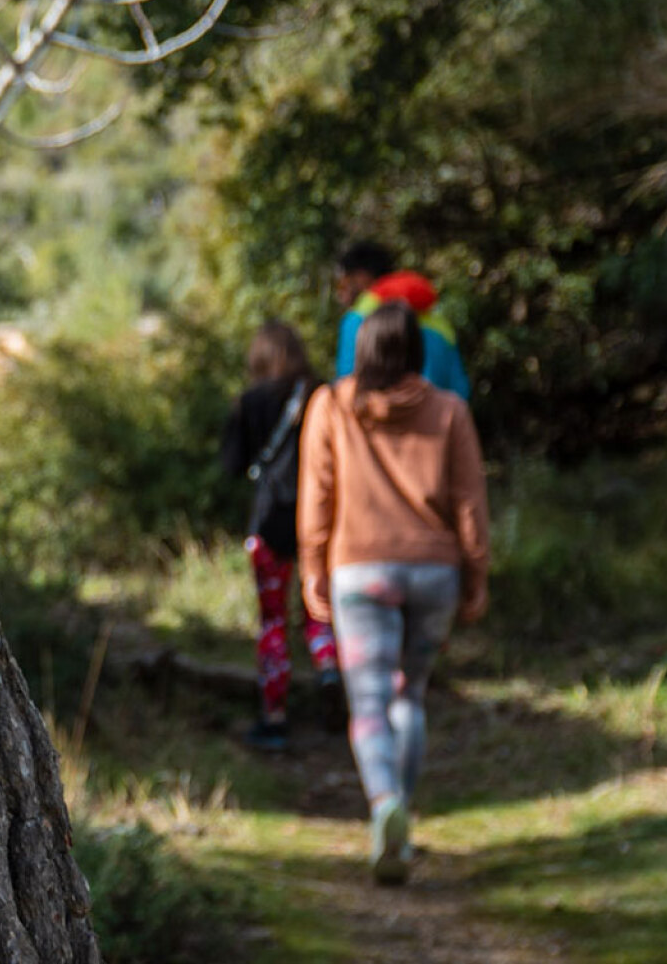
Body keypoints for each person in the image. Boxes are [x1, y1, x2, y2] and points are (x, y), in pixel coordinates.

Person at [298, 301, 490, 884]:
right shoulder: (450, 410)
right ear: (416, 350)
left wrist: (313, 569)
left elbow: (317, 500)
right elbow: (470, 503)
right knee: (410, 696)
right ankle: (401, 828)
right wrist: (477, 576)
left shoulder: (330, 405)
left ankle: (385, 806)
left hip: (360, 574)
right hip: (434, 573)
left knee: (370, 705)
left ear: (360, 348)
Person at [219, 320, 340, 752]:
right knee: (320, 610)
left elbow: (231, 465)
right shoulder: (322, 394)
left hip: (269, 522)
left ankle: (274, 717)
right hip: (321, 524)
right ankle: (329, 671)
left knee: (273, 621)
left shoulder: (250, 401)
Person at [333, 241, 470, 400]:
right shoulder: (437, 319)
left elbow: (347, 385)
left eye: (342, 283)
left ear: (362, 276)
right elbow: (460, 389)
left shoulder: (358, 317)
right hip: (437, 420)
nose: (340, 294)